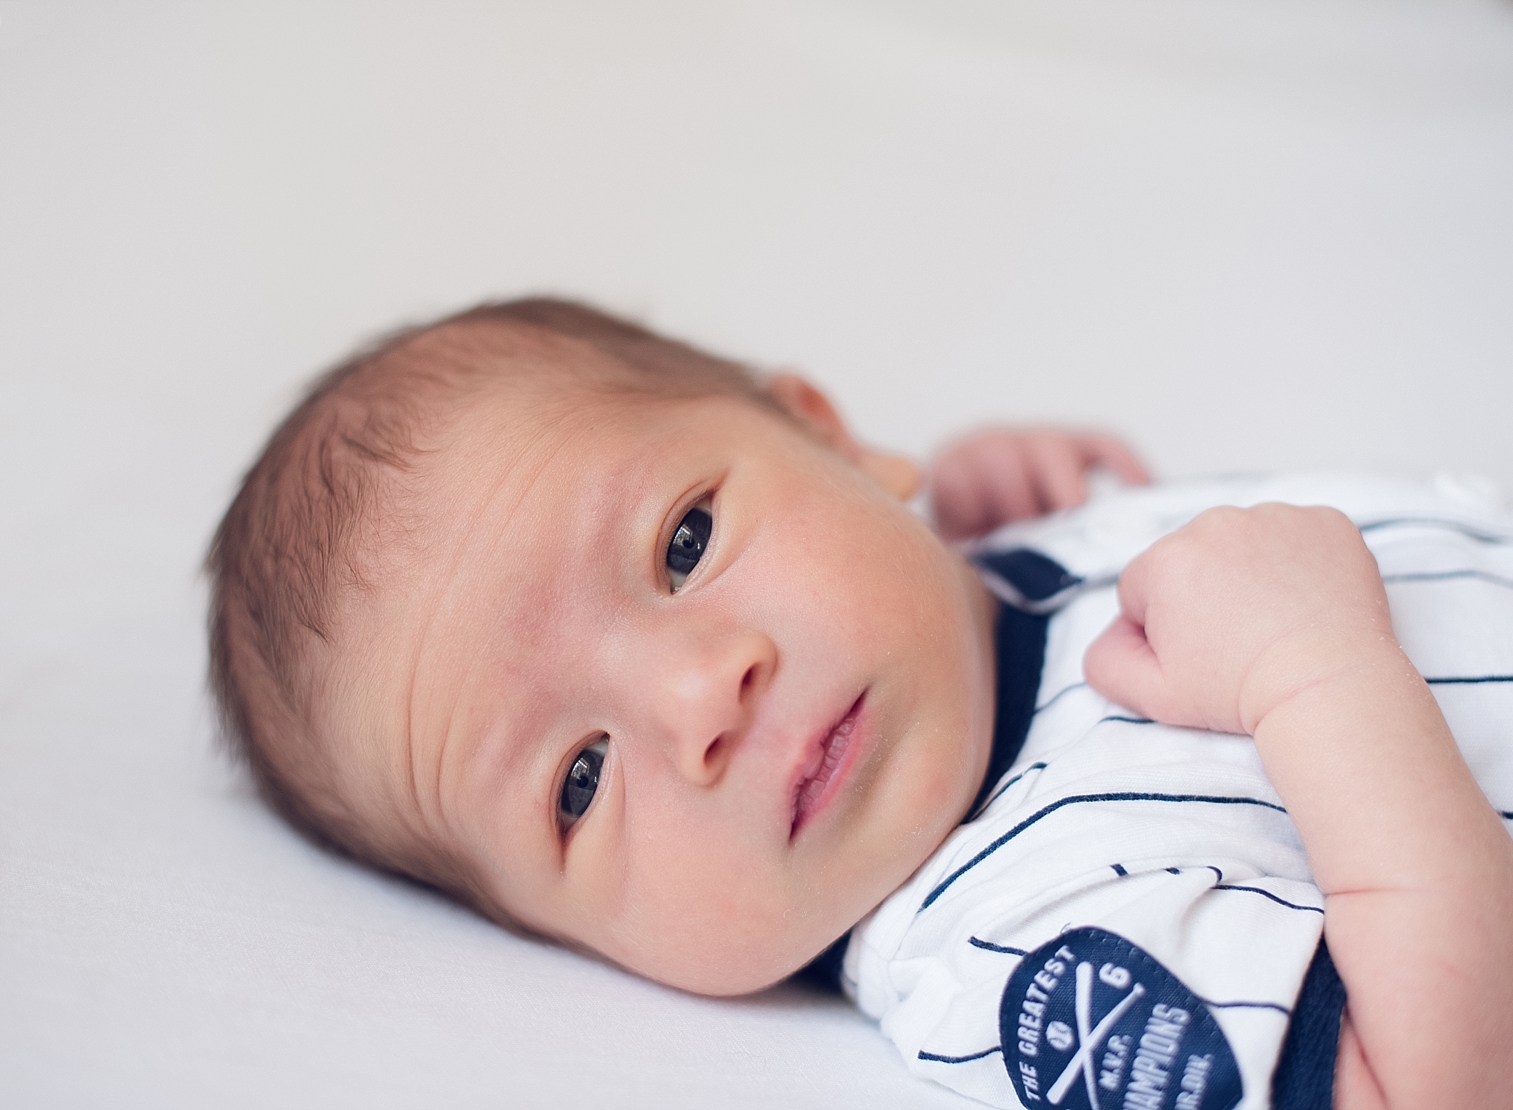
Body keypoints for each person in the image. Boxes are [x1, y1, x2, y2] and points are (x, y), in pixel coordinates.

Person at [207, 298, 1513, 1109]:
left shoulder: (976, 581)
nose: (694, 698)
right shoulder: (1026, 954)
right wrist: (1320, 676)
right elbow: (1435, 1083)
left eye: (682, 542)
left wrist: (1014, 543)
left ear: (832, 438)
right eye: (577, 781)